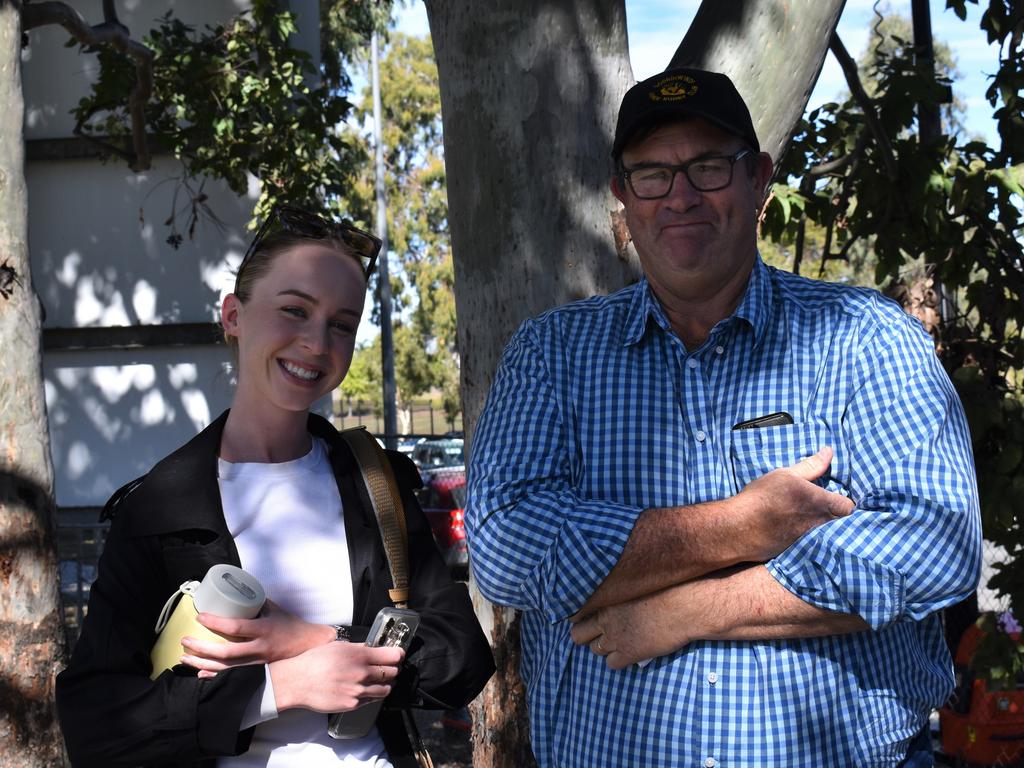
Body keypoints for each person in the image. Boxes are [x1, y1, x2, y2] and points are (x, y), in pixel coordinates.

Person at [466, 68, 981, 767]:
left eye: (708, 168)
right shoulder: (551, 353)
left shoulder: (866, 336)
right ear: (622, 194)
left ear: (759, 177)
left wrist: (690, 612)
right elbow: (505, 548)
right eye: (652, 173)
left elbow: (932, 544)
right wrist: (745, 526)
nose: (680, 196)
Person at [56, 205, 494, 767]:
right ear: (233, 315)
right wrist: (278, 688)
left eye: (342, 323)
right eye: (294, 310)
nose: (317, 342)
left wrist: (315, 638)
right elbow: (96, 724)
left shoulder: (373, 483)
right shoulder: (160, 509)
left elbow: (463, 658)